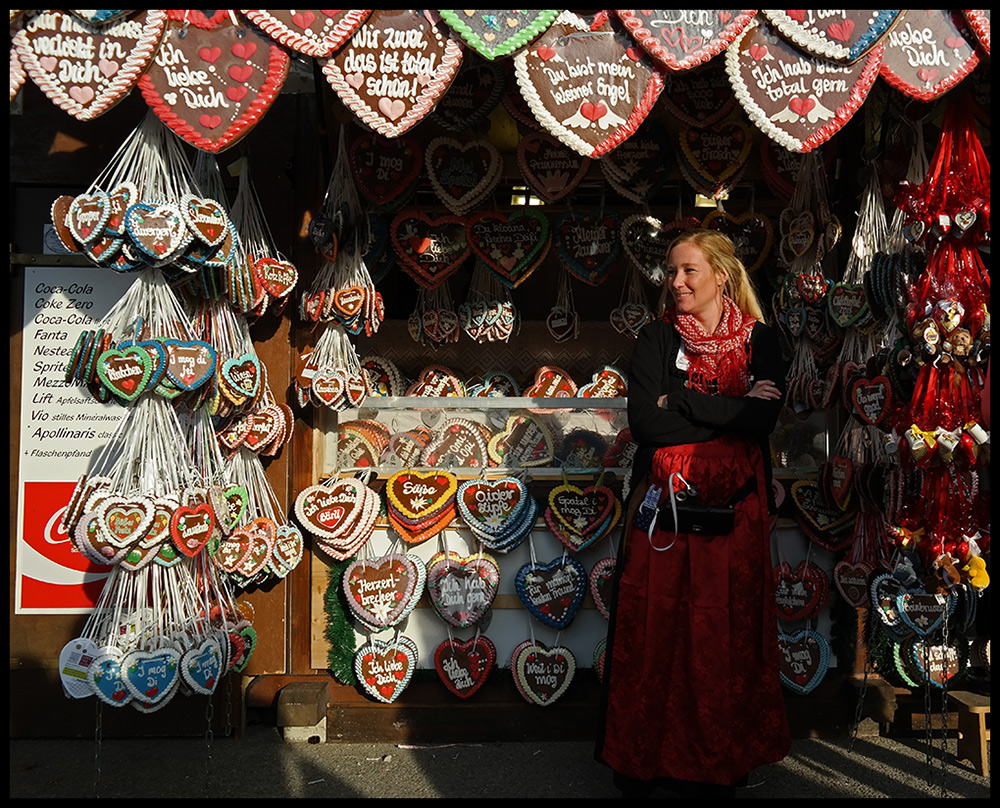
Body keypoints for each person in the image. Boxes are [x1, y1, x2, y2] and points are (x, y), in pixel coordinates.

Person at [595, 229, 791, 798]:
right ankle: (643, 761)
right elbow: (648, 427)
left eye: (688, 272)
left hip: (737, 516)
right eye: (671, 272)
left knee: (727, 635)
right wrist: (730, 410)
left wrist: (680, 401)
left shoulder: (762, 341)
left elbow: (763, 423)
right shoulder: (655, 339)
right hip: (667, 515)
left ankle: (722, 761)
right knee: (657, 631)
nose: (675, 282)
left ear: (721, 277)